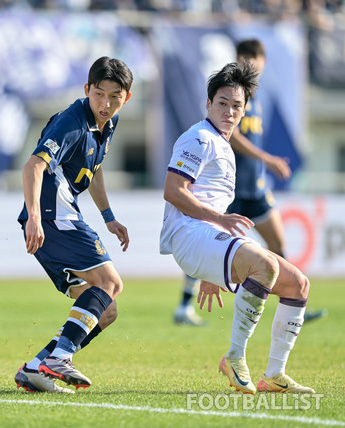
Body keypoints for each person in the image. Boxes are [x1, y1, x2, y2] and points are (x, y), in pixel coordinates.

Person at [160, 61, 315, 394]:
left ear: (244, 111)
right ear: (208, 104)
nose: (229, 111)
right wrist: (218, 225)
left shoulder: (222, 145)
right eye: (222, 103)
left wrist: (211, 269)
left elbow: (210, 202)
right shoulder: (199, 137)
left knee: (298, 284)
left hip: (206, 239)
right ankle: (234, 356)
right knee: (266, 265)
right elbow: (173, 191)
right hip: (188, 235)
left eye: (236, 106)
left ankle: (274, 374)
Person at [172, 39, 326, 326]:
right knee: (206, 241)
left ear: (264, 62)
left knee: (277, 243)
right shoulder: (227, 104)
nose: (251, 63)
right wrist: (266, 158)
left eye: (255, 58)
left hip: (255, 187)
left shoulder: (254, 101)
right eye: (246, 57)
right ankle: (184, 304)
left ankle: (291, 303)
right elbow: (235, 139)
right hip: (229, 191)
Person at [15, 56, 132, 393]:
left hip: (59, 217)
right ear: (86, 90)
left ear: (127, 97)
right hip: (53, 216)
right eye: (99, 94)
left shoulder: (107, 123)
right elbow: (33, 166)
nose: (105, 103)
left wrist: (108, 217)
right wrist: (35, 218)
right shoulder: (72, 121)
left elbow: (93, 169)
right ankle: (60, 358)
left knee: (104, 311)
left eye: (115, 96)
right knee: (110, 282)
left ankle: (37, 367)